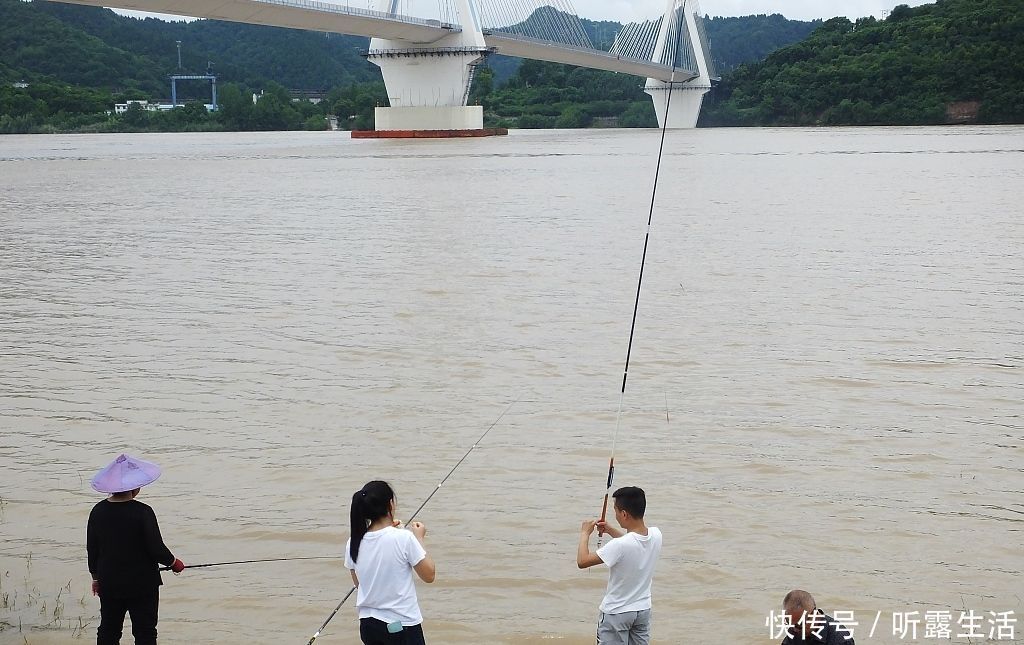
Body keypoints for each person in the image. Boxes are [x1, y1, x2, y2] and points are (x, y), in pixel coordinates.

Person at [87, 454, 185, 645]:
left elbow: (93, 549)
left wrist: (95, 578)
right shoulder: (143, 512)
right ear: (136, 488)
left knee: (108, 630)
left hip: (109, 582)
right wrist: (174, 563)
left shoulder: (97, 511)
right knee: (145, 632)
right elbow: (156, 548)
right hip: (143, 584)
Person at [345, 480, 436, 645]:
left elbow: (359, 584)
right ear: (390, 505)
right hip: (402, 626)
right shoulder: (404, 538)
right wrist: (419, 538)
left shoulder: (354, 541)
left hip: (369, 626)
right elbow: (429, 575)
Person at [577, 486, 662, 645]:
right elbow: (633, 543)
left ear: (624, 514)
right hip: (642, 610)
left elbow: (583, 561)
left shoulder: (619, 546)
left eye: (616, 511)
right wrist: (610, 530)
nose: (615, 515)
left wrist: (584, 534)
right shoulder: (656, 534)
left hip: (617, 613)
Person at [780, 589, 855, 644]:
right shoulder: (794, 630)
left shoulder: (841, 640)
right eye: (788, 622)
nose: (795, 630)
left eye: (800, 625)